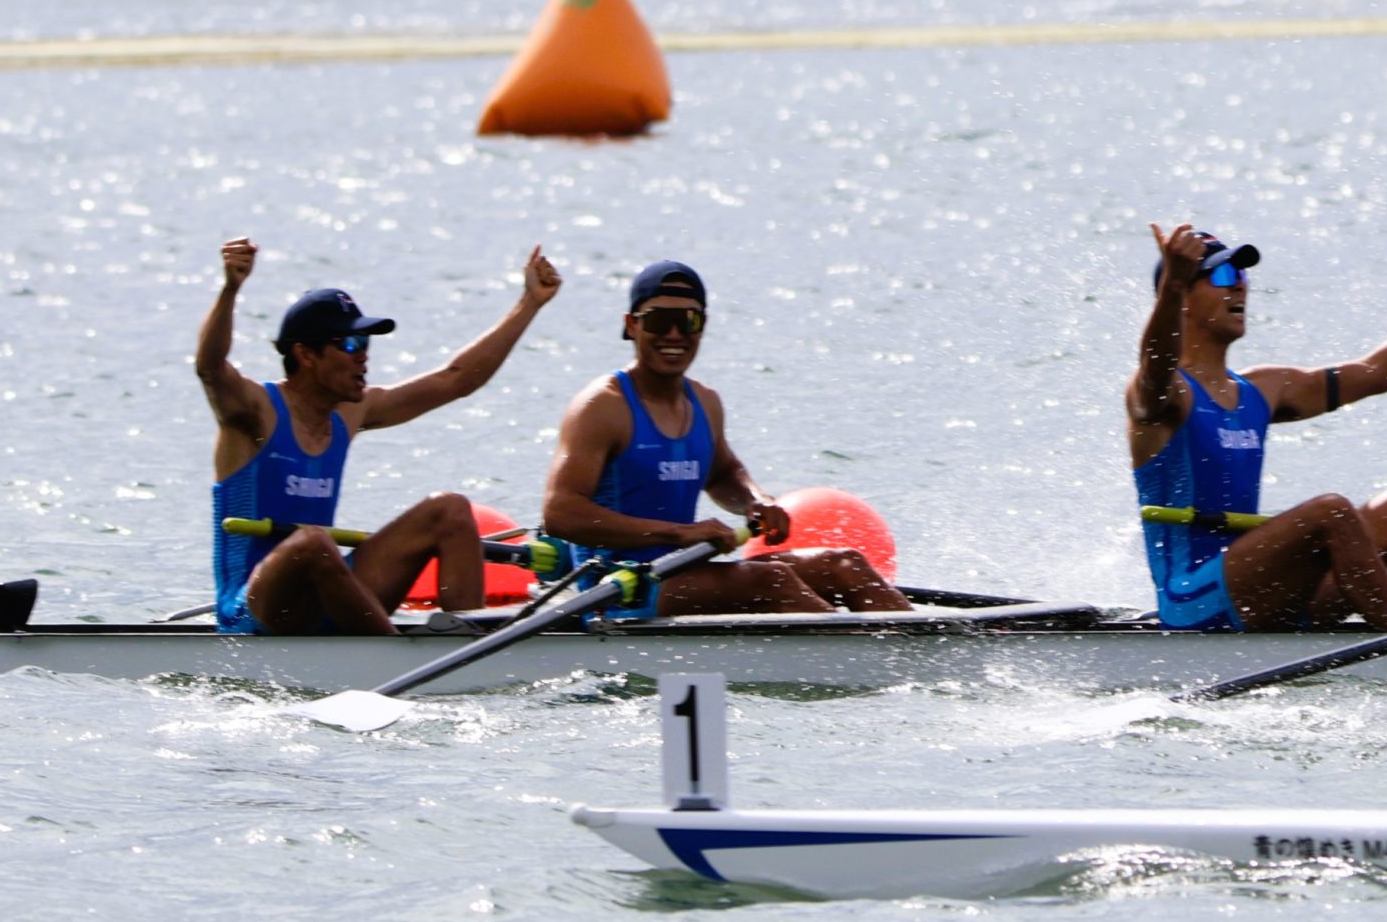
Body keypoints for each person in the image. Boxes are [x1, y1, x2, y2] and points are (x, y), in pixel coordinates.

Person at [1126, 224, 1387, 634]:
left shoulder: (1263, 390)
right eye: (1223, 276)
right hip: (1192, 602)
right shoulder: (1164, 395)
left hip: (1264, 591)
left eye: (1242, 277)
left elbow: (1376, 372)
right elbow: (1154, 369)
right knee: (1330, 513)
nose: (1239, 288)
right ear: (1183, 296)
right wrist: (1170, 286)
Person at [199, 238, 562, 635]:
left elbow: (456, 380)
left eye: (366, 343)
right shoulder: (254, 413)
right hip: (252, 610)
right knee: (313, 545)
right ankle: (392, 654)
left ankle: (466, 645)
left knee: (451, 510)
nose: (363, 355)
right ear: (305, 355)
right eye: (351, 343)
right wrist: (230, 289)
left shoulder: (351, 414)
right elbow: (211, 369)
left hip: (320, 597)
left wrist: (530, 303)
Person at [540, 261, 914, 619]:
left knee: (845, 564)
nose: (674, 335)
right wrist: (680, 533)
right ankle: (862, 667)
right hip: (615, 587)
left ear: (702, 327)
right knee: (771, 580)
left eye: (688, 321)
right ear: (631, 326)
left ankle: (922, 659)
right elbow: (560, 513)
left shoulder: (705, 403)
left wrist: (756, 501)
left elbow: (723, 474)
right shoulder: (601, 407)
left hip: (680, 571)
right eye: (659, 320)